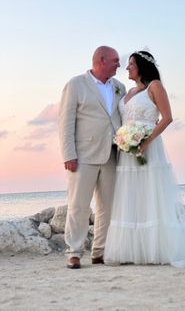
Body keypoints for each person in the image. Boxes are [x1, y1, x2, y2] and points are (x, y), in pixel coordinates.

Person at [104, 50, 185, 268]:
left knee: (150, 193)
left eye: (131, 64)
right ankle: (133, 250)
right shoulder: (128, 91)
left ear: (142, 67)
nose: (127, 68)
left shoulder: (154, 86)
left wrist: (146, 141)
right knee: (132, 195)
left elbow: (167, 117)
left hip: (148, 145)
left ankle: (155, 249)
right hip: (128, 150)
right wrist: (125, 139)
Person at [58, 46, 126, 269]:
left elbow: (122, 117)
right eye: (115, 60)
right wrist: (69, 154)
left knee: (108, 206)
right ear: (101, 60)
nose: (119, 64)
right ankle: (74, 252)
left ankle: (100, 251)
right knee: (78, 206)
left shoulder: (119, 87)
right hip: (83, 156)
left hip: (112, 154)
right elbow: (65, 122)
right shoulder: (76, 84)